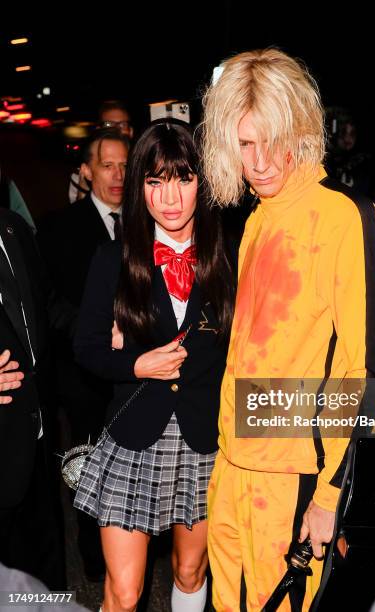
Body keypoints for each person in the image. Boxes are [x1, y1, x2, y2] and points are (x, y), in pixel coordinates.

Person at [201, 48, 375, 611]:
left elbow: (369, 373)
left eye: (270, 140)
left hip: (296, 478)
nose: (257, 162)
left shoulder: (346, 218)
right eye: (243, 144)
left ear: (301, 129)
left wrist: (332, 494)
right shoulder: (257, 218)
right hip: (233, 471)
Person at [72, 118, 235, 612]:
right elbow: (86, 348)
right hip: (135, 437)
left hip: (205, 436)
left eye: (183, 178)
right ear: (140, 186)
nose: (171, 197)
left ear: (201, 183)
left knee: (191, 571)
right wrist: (137, 363)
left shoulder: (229, 258)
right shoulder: (113, 259)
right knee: (123, 592)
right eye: (155, 181)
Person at [37, 128, 130, 582]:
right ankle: (96, 563)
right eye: (107, 165)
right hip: (83, 376)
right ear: (87, 170)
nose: (117, 175)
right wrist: (95, 334)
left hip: (138, 374)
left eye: (124, 166)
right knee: (89, 470)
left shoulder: (149, 221)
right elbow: (48, 302)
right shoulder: (58, 227)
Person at [0, 208, 75, 590]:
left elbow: (47, 305)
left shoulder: (13, 228)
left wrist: (102, 329)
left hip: (38, 427)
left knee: (44, 555)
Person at [69, 100, 134, 203]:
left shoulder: (147, 167)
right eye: (108, 124)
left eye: (123, 125)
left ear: (131, 131)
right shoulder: (82, 174)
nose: (116, 130)